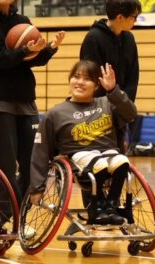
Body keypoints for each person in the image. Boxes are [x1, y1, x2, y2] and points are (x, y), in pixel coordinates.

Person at [0, 0, 65, 218]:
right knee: (4, 163)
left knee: (31, 161)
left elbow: (31, 60)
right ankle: (3, 218)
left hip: (25, 100)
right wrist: (24, 50)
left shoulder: (22, 20)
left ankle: (21, 217)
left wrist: (48, 49)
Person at [28, 61, 135, 225]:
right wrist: (37, 187)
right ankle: (96, 206)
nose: (80, 82)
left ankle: (111, 204)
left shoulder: (107, 103)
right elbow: (40, 151)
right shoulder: (55, 114)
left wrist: (113, 91)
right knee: (99, 164)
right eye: (76, 77)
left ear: (96, 85)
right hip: (78, 160)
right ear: (70, 80)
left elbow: (131, 114)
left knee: (122, 161)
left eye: (87, 79)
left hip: (109, 154)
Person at [80, 0, 141, 143]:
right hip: (97, 115)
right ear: (120, 17)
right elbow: (91, 78)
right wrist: (105, 110)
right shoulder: (94, 38)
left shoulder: (129, 39)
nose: (135, 20)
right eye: (133, 17)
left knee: (118, 153)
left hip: (121, 112)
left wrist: (125, 106)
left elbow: (133, 76)